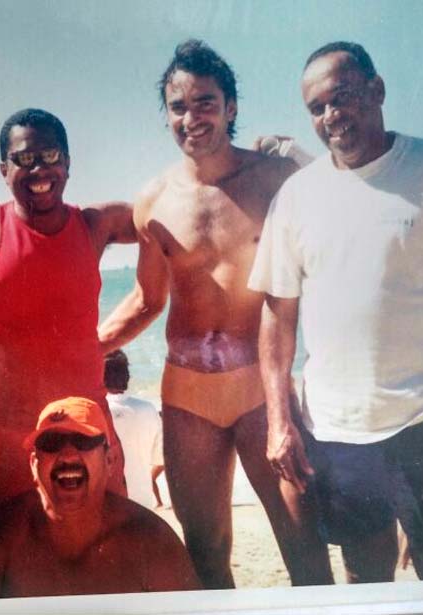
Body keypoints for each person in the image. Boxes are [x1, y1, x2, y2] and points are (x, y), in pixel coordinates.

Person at [249, 41, 423, 582]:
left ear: (377, 90)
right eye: (316, 108)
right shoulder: (297, 196)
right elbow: (277, 315)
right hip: (336, 431)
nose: (331, 116)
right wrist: (280, 420)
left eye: (342, 97)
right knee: (364, 576)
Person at [98, 39, 333, 588]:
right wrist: (84, 348)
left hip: (261, 389)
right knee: (205, 555)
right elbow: (147, 300)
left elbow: (341, 224)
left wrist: (303, 158)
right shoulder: (153, 200)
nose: (191, 117)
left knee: (304, 545)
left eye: (205, 102)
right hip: (188, 397)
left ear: (231, 107)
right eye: (178, 106)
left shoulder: (275, 178)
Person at [0, 108, 135, 511]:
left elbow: (169, 218)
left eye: (51, 156)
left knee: (101, 536)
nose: (39, 169)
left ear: (67, 163)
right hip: (3, 428)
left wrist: (110, 337)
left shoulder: (95, 224)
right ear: (4, 169)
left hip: (84, 421)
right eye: (24, 158)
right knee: (7, 538)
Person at [0, 396, 201, 599]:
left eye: (83, 441)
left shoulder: (150, 540)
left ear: (109, 460)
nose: (68, 455)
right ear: (34, 464)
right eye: (52, 442)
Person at [103, 350, 165, 509]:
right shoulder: (148, 409)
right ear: (127, 377)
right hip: (142, 504)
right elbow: (160, 458)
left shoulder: (96, 411)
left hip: (107, 505)